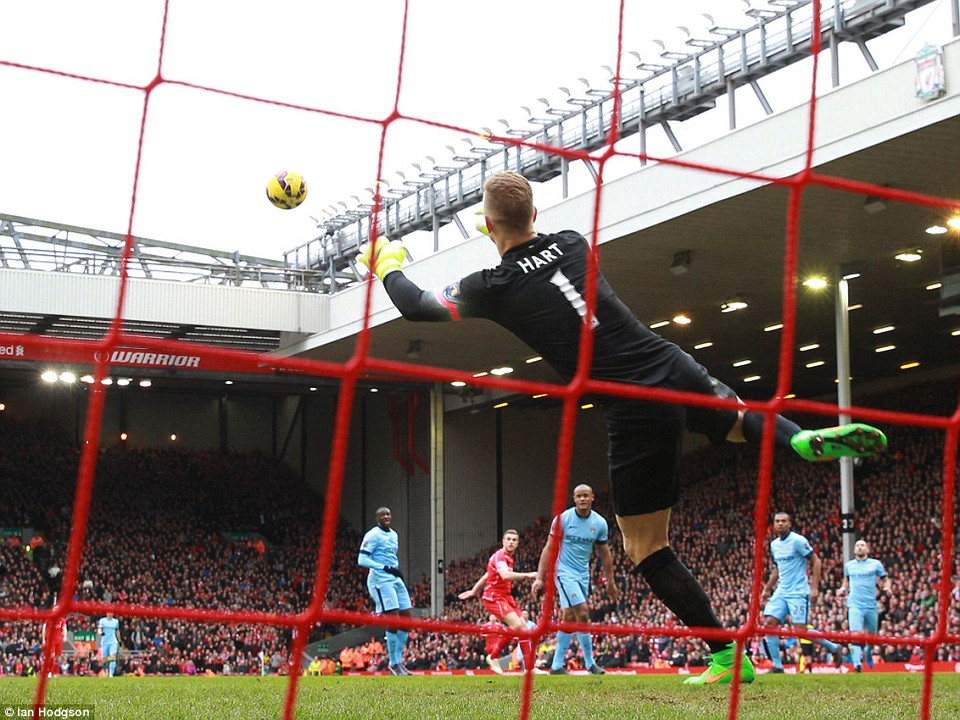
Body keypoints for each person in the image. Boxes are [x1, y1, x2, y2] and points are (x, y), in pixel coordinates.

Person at [358, 170, 888, 685]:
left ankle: (728, 655)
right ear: (536, 214)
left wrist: (389, 261)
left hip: (632, 405)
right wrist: (501, 228)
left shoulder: (493, 285)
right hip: (669, 364)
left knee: (646, 549)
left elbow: (415, 304)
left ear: (489, 227)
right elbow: (527, 243)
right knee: (735, 423)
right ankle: (798, 436)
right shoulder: (572, 242)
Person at [531, 483, 619, 675]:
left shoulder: (599, 523)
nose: (582, 499)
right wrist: (539, 577)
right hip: (563, 572)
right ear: (574, 498)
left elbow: (605, 554)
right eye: (578, 496)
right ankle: (590, 663)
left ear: (592, 497)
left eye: (585, 495)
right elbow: (549, 548)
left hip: (582, 574)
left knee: (569, 617)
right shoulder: (563, 520)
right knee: (583, 612)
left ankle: (556, 665)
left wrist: (610, 582)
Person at [760, 512, 843, 673]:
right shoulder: (774, 545)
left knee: (800, 631)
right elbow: (778, 569)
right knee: (769, 624)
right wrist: (767, 589)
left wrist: (814, 587)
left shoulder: (798, 541)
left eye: (784, 521)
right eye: (777, 521)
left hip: (798, 591)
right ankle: (777, 666)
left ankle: (833, 648)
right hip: (782, 590)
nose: (780, 524)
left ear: (790, 524)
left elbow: (816, 561)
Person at [458, 529, 541, 674]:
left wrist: (473, 591)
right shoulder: (500, 557)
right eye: (508, 539)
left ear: (517, 543)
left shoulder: (507, 558)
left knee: (524, 630)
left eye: (514, 540)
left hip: (505, 596)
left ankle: (529, 669)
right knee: (517, 626)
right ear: (503, 541)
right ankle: (493, 656)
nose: (511, 542)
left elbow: (486, 576)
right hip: (494, 597)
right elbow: (505, 575)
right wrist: (529, 575)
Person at [357, 506, 413, 676]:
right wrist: (383, 567)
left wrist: (392, 569)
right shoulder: (372, 535)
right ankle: (394, 664)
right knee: (394, 617)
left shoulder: (394, 534)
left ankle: (398, 661)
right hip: (380, 579)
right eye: (383, 515)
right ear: (378, 518)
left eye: (388, 514)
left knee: (407, 617)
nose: (387, 517)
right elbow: (362, 559)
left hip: (394, 577)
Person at [839, 538, 890, 672]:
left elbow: (885, 579)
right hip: (854, 604)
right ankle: (857, 665)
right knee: (855, 635)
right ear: (854, 549)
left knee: (872, 637)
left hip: (871, 605)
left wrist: (887, 587)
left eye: (862, 545)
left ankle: (868, 651)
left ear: (867, 549)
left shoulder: (875, 564)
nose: (860, 547)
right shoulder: (849, 565)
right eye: (857, 546)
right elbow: (846, 580)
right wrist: (843, 588)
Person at [97, 611, 120, 677]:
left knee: (113, 656)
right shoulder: (102, 620)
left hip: (113, 641)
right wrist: (100, 633)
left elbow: (117, 631)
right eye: (109, 613)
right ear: (106, 613)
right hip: (104, 642)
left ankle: (111, 674)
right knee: (105, 659)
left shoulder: (116, 621)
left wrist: (119, 640)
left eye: (111, 613)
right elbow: (99, 629)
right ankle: (105, 672)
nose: (110, 614)